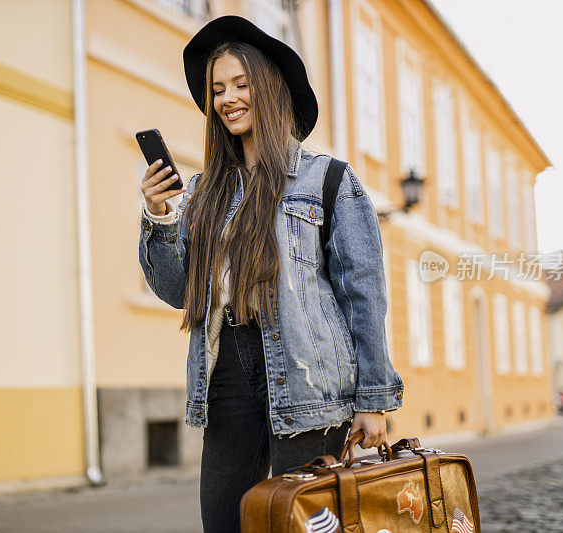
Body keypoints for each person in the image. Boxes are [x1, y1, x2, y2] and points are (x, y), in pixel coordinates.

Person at [138, 15, 404, 532]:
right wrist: (162, 218)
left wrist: (374, 400)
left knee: (302, 525)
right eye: (217, 89)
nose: (227, 98)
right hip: (228, 376)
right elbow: (176, 292)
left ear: (269, 89)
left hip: (310, 377)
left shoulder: (327, 180)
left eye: (241, 84)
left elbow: (363, 296)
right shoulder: (201, 193)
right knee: (223, 522)